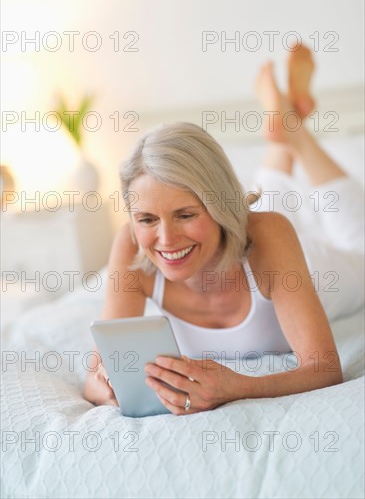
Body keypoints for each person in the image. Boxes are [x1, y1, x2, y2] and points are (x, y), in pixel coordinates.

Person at [83, 45, 364, 415]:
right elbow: (93, 377)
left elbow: (325, 370)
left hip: (312, 265)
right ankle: (286, 123)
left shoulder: (269, 234)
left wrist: (235, 386)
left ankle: (295, 135)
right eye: (148, 219)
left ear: (219, 206)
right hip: (251, 233)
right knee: (272, 199)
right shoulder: (132, 244)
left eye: (185, 214)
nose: (165, 240)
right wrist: (105, 387)